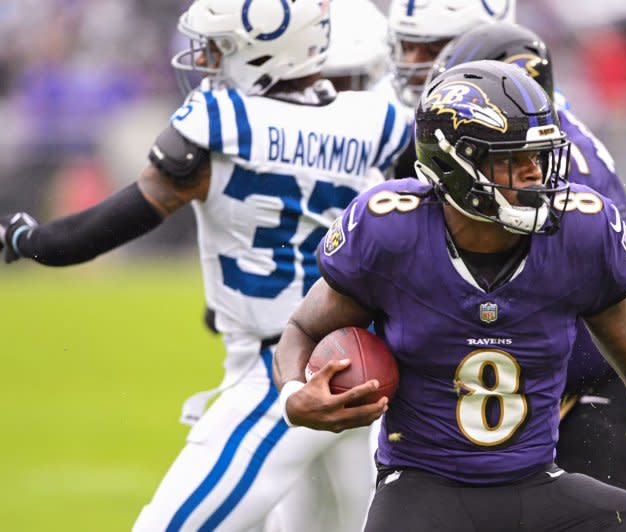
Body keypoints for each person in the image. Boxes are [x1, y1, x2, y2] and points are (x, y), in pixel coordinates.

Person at [0, 0, 409, 530]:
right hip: (366, 363)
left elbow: (98, 230)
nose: (209, 60)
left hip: (278, 374)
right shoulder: (382, 123)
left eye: (222, 49)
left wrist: (26, 237)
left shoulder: (220, 123)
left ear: (265, 54)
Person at [272, 60, 626, 531]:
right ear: (456, 163)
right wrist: (294, 396)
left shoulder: (580, 231)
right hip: (422, 488)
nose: (536, 174)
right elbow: (302, 328)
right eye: (513, 159)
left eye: (540, 156)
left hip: (536, 483)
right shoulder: (391, 234)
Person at [429, 21, 626, 508]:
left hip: (624, 373)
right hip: (564, 371)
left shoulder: (547, 176)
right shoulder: (537, 142)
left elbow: (508, 293)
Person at [384, 0, 517, 179]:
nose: (412, 65)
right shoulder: (384, 108)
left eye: (434, 50)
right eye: (408, 47)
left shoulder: (530, 108)